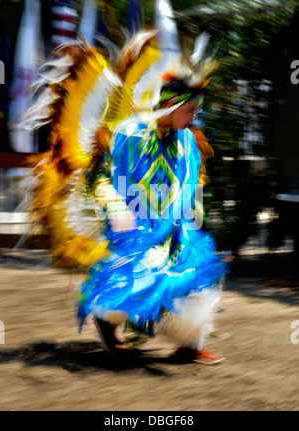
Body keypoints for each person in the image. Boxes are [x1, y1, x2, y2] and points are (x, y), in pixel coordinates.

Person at [76, 76, 229, 365]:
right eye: (190, 109)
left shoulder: (186, 140)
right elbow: (99, 177)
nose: (195, 115)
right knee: (141, 276)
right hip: (133, 225)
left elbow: (190, 183)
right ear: (170, 105)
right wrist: (117, 208)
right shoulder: (130, 135)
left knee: (197, 271)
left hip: (173, 224)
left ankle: (191, 344)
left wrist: (192, 222)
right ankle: (107, 319)